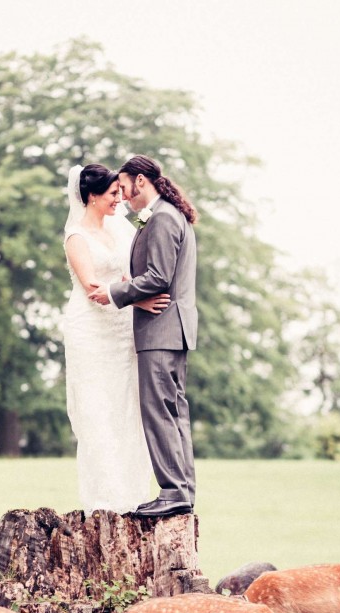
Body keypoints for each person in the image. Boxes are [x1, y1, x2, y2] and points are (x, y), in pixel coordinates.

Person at [89, 155, 198, 518]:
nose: (121, 195)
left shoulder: (163, 217)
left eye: (123, 187)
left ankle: (173, 491)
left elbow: (159, 276)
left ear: (140, 181)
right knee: (172, 412)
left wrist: (115, 293)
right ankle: (180, 490)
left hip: (162, 329)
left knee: (159, 412)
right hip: (169, 329)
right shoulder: (164, 214)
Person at [62, 163, 169, 516]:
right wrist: (139, 299)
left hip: (122, 331)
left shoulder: (122, 226)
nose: (119, 199)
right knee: (98, 409)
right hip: (91, 331)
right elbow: (93, 287)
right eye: (111, 194)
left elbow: (134, 264)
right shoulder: (77, 237)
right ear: (91, 197)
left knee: (127, 408)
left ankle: (134, 495)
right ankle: (106, 501)